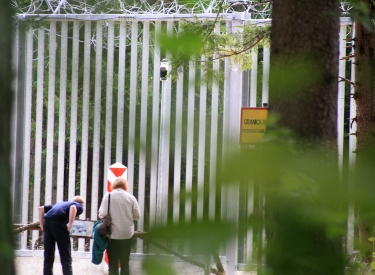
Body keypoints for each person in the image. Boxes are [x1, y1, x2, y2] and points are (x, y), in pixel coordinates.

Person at [98, 177, 141, 275]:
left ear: (113, 185)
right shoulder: (130, 197)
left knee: (112, 263)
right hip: (127, 234)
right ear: (125, 186)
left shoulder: (108, 196)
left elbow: (102, 214)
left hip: (112, 235)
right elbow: (137, 216)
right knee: (125, 262)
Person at [38, 196, 85, 275]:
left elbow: (41, 208)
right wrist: (70, 225)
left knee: (48, 254)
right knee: (65, 254)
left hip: (48, 223)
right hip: (59, 223)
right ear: (81, 204)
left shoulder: (59, 204)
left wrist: (42, 225)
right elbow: (73, 208)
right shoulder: (77, 205)